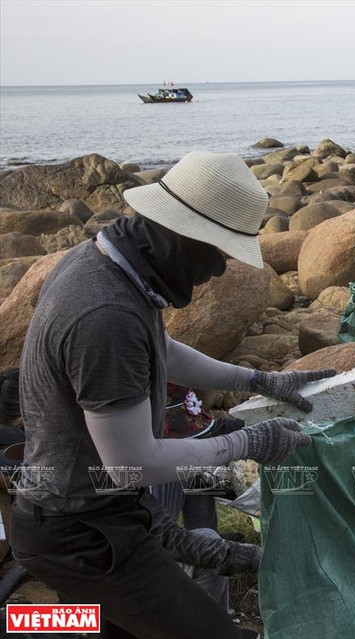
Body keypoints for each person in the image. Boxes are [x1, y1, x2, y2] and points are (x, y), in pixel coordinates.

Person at [10, 151, 334, 639]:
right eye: (220, 252)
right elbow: (132, 464)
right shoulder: (105, 314)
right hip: (82, 532)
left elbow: (162, 349)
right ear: (183, 236)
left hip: (85, 516)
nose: (221, 270)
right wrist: (248, 444)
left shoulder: (103, 263)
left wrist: (256, 381)